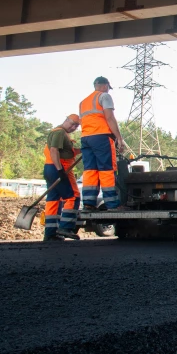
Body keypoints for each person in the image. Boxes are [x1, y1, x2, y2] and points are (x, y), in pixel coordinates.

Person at [79, 76, 126, 211]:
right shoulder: (104, 96)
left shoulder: (83, 102)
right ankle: (112, 204)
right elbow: (109, 117)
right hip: (101, 137)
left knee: (90, 171)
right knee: (106, 170)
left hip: (86, 138)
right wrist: (119, 138)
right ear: (105, 85)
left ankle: (88, 203)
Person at [43, 115, 82, 241]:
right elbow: (54, 150)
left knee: (54, 199)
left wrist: (82, 150)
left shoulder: (59, 133)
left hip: (50, 168)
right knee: (73, 196)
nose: (73, 127)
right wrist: (60, 170)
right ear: (66, 120)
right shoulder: (60, 132)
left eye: (76, 126)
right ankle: (66, 227)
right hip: (59, 167)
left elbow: (68, 152)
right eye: (72, 124)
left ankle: (50, 233)